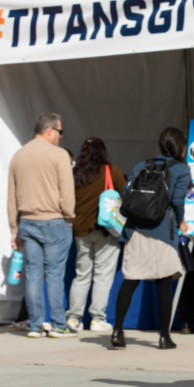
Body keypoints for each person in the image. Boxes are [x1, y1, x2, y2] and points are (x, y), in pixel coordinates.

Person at [111, 127, 191, 350]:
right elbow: (177, 200)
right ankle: (164, 337)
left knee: (130, 280)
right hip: (163, 233)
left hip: (136, 230)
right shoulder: (182, 169)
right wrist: (182, 222)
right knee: (163, 283)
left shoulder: (141, 165)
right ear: (181, 146)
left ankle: (117, 330)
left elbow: (128, 193)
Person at [8, 112, 76, 338]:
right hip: (54, 221)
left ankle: (35, 325)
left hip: (27, 222)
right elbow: (67, 193)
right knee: (55, 275)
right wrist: (69, 217)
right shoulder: (59, 155)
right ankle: (58, 325)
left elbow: (11, 198)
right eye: (60, 132)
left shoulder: (18, 156)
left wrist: (13, 229)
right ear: (49, 130)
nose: (61, 137)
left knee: (33, 274)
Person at [66, 138, 126, 332]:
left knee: (81, 275)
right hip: (106, 230)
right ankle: (97, 319)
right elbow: (125, 196)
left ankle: (73, 318)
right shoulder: (111, 170)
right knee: (102, 276)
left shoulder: (74, 174)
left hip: (80, 231)